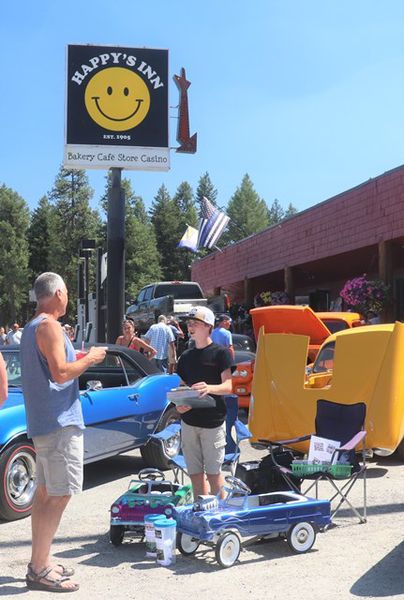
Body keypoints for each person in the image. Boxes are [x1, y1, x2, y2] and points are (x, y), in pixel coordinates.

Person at [20, 272, 106, 593]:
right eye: (66, 292)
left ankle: (39, 560)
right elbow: (60, 373)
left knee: (45, 495)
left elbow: (53, 367)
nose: (68, 297)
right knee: (59, 494)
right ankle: (40, 569)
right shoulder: (50, 326)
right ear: (57, 292)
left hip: (45, 425)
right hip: (59, 425)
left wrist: (78, 359)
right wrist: (93, 358)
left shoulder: (33, 328)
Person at [176, 306, 233, 499]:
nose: (190, 327)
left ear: (208, 326)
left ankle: (221, 516)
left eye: (195, 323)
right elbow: (182, 387)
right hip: (189, 421)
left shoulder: (221, 353)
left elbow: (228, 386)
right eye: (189, 323)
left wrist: (209, 388)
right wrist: (179, 404)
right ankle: (200, 511)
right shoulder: (185, 356)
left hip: (213, 422)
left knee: (213, 473)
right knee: (194, 473)